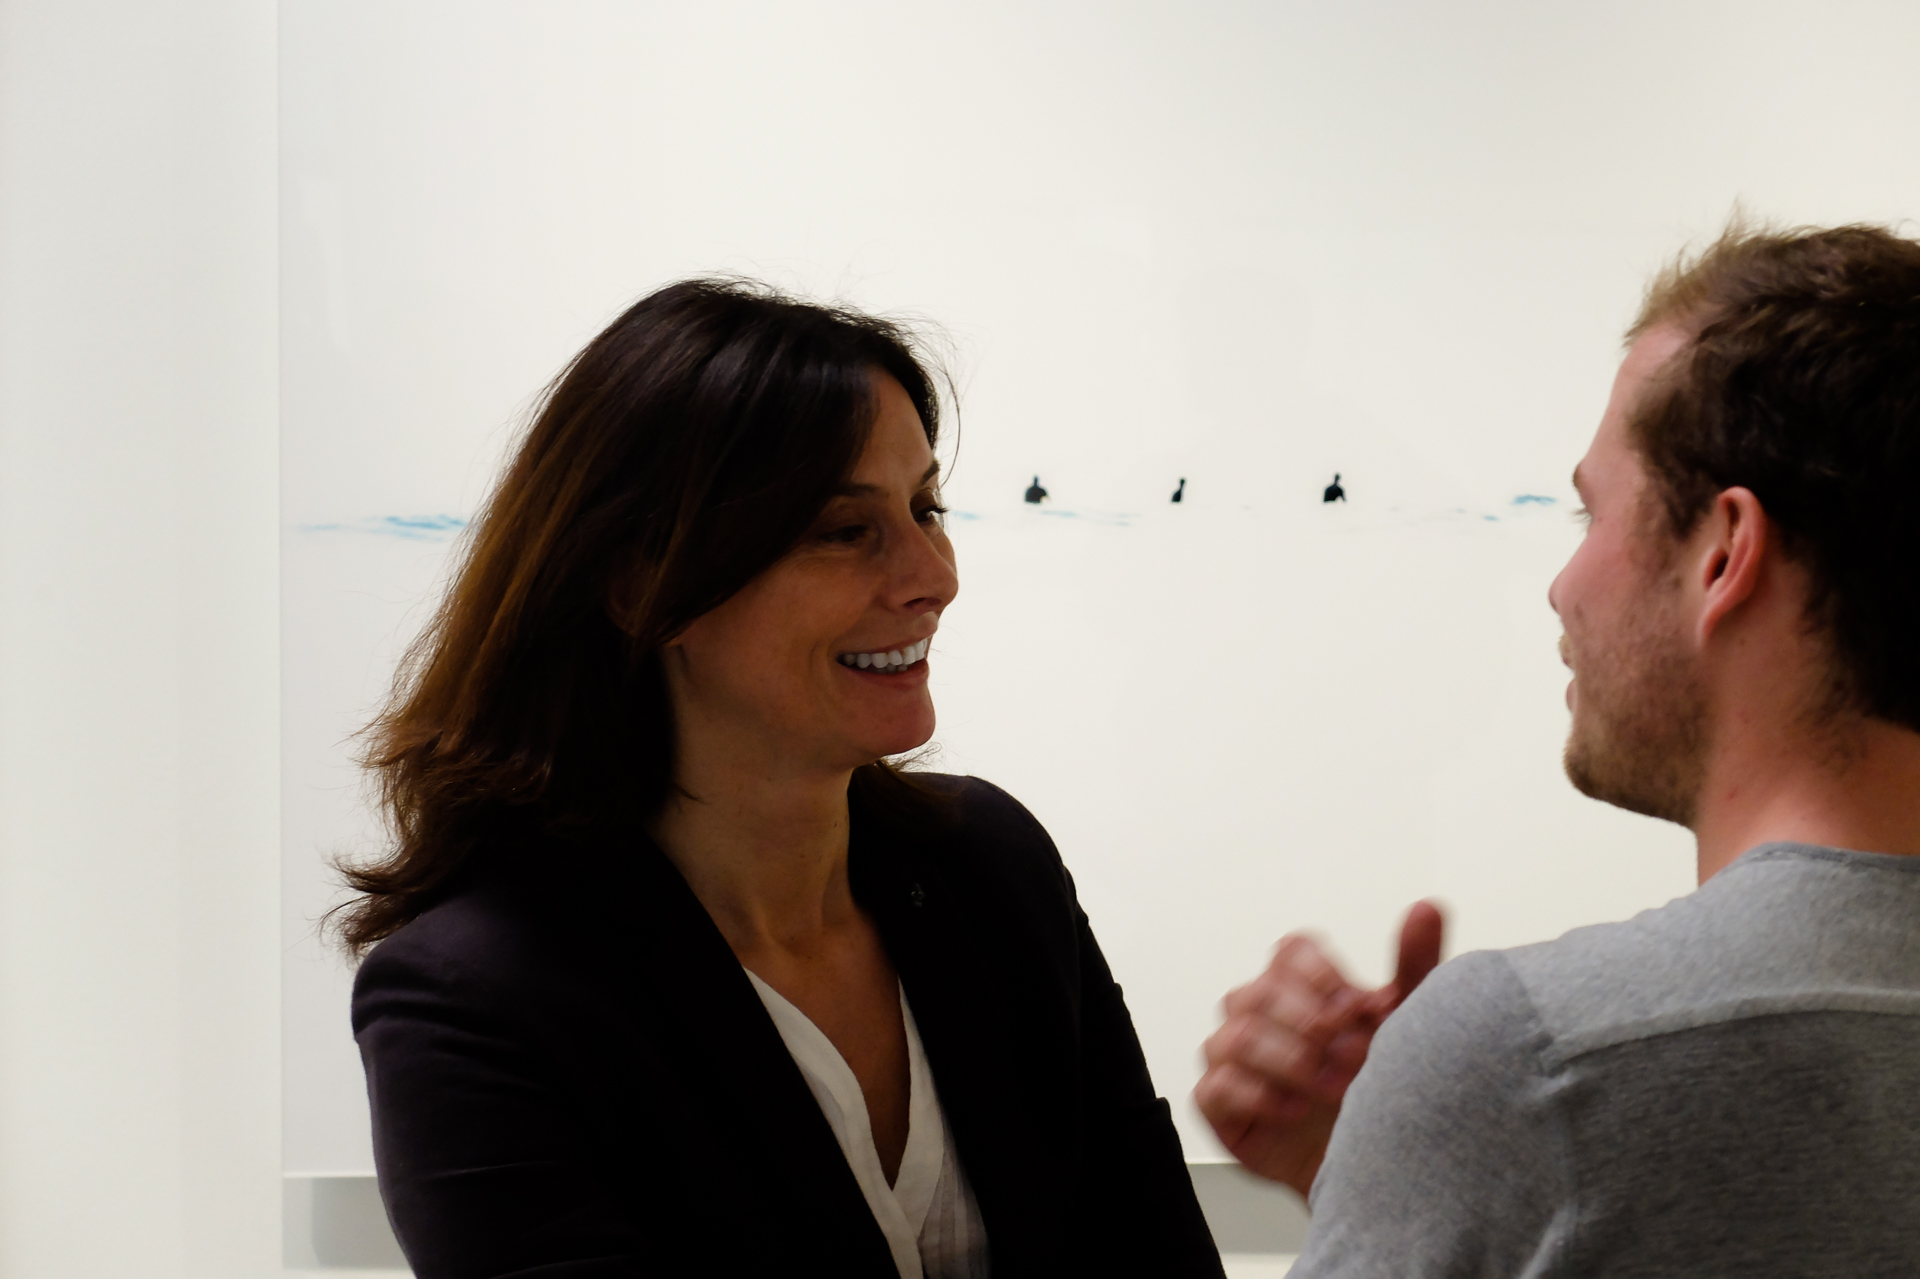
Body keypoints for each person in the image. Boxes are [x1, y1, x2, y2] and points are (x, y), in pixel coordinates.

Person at [341, 279, 1223, 1279]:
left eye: (926, 508)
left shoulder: (991, 865)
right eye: (845, 530)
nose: (933, 576)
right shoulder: (475, 999)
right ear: (643, 584)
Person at [1196, 222, 1920, 1274]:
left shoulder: (1531, 1057)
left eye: (1590, 514)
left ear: (1724, 554)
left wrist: (1444, 1126)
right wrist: (1404, 1175)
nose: (1561, 586)